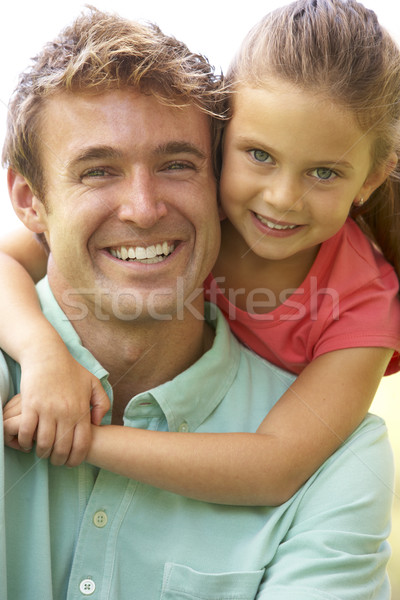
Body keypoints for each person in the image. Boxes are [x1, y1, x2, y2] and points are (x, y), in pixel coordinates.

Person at [0, 4, 395, 599]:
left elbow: (277, 464)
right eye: (258, 156)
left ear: (369, 180)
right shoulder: (227, 209)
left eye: (177, 165)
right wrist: (43, 357)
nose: (282, 199)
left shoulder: (365, 313)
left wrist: (83, 436)